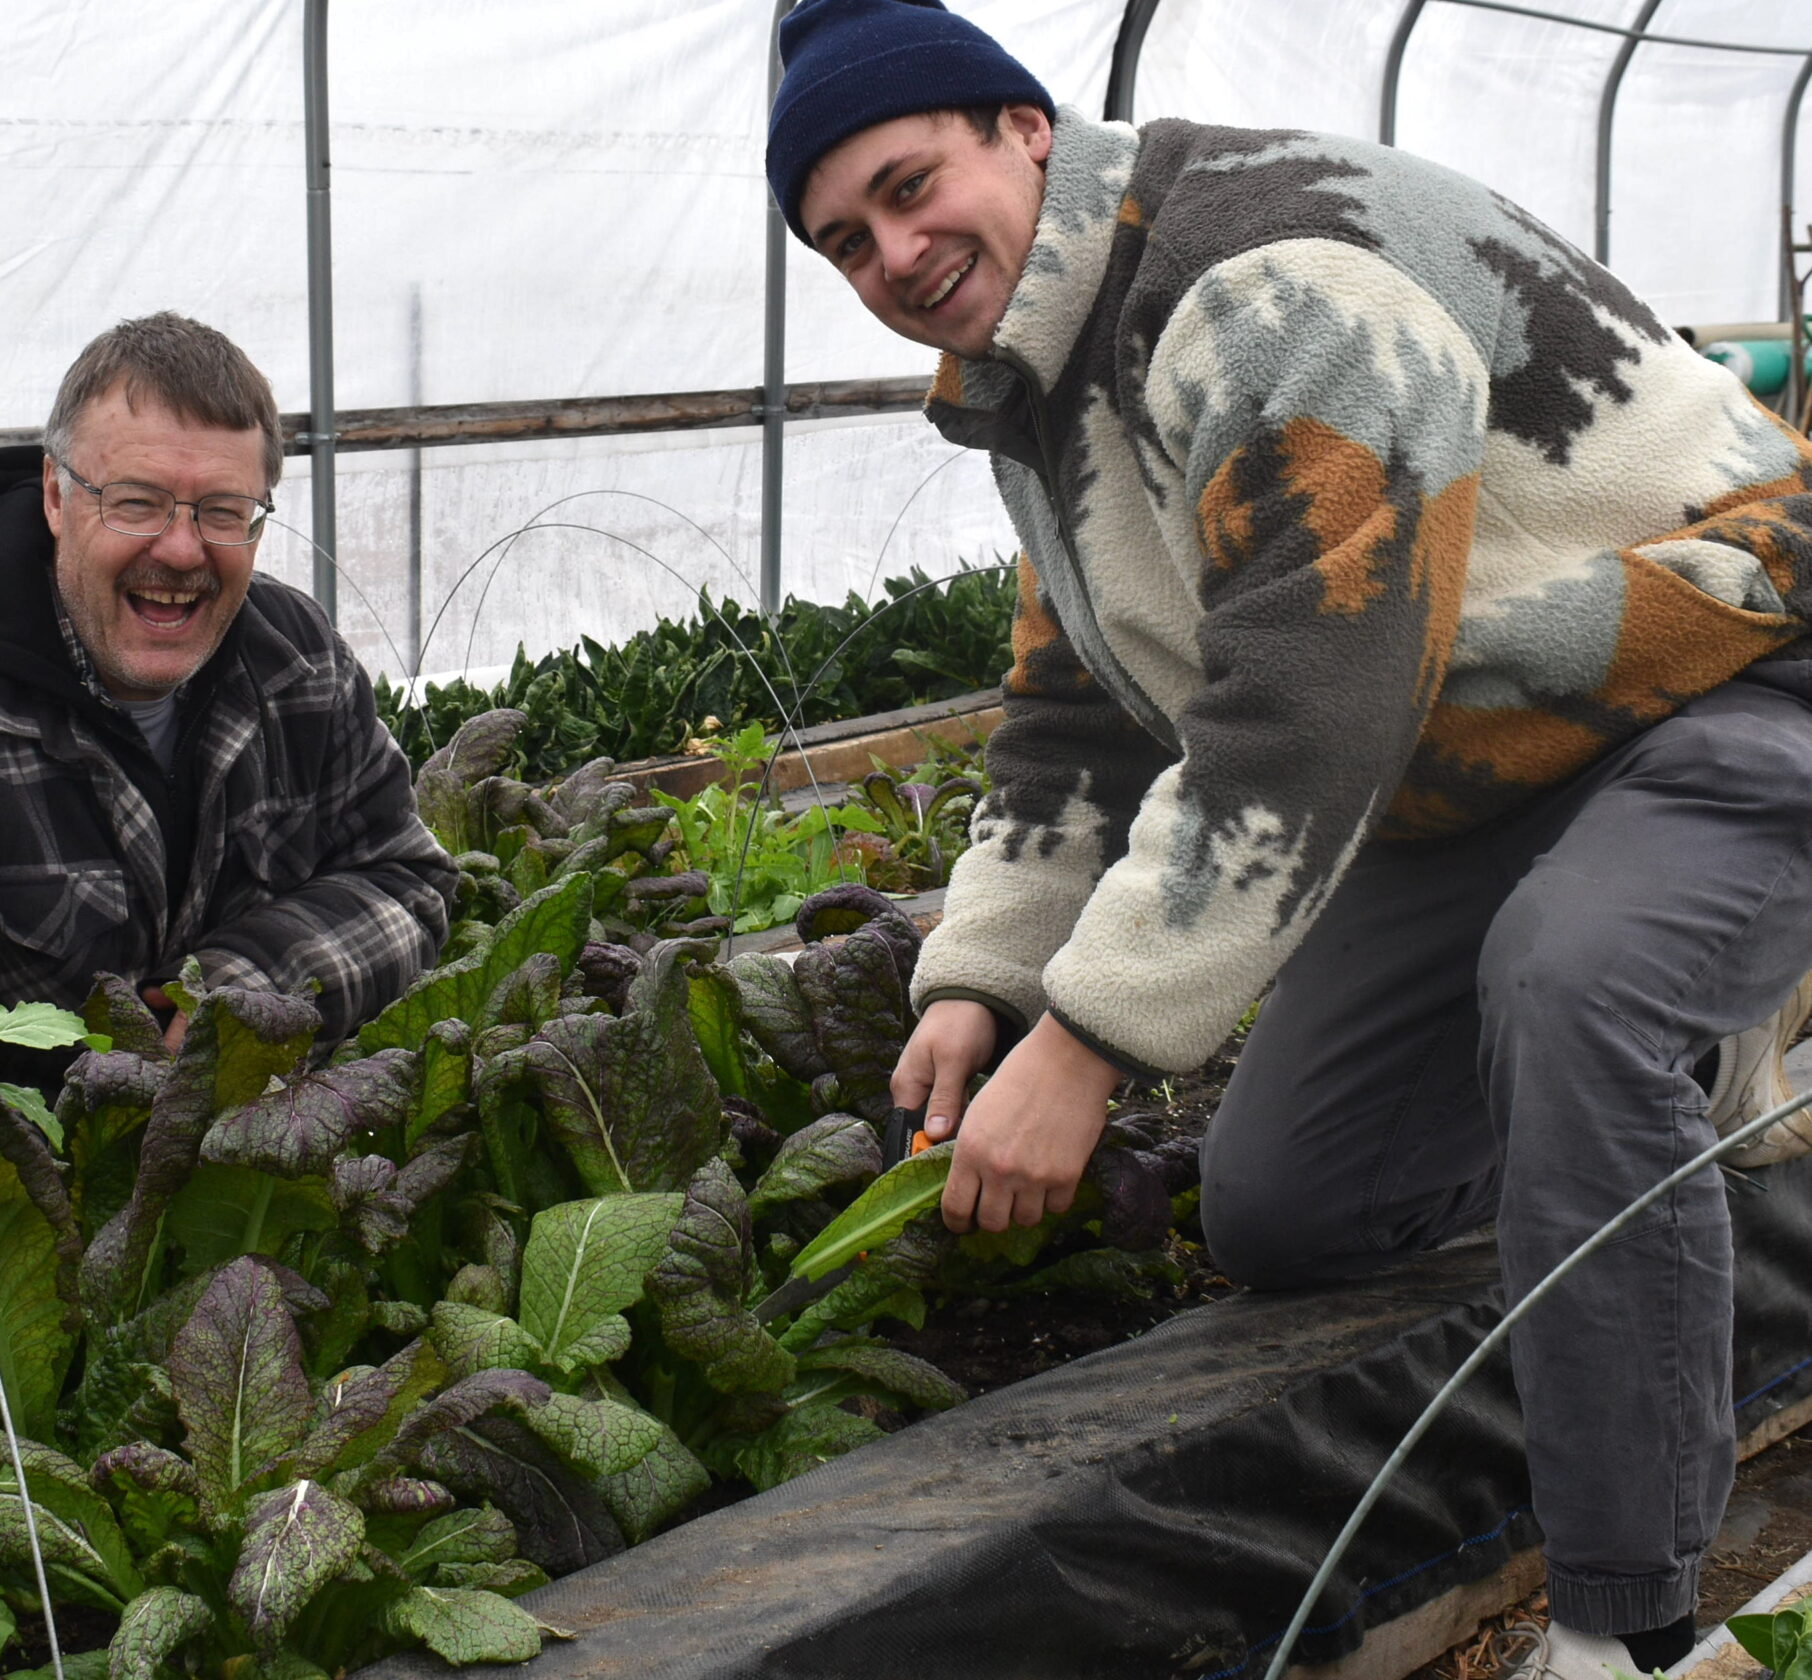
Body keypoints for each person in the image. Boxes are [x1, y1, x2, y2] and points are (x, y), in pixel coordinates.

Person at [765, 1, 1812, 1674]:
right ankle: (1646, 1083)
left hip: (1725, 656)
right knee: (1287, 1216)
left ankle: (1639, 1634)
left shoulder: (1266, 277)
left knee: (1580, 988)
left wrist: (1094, 1044)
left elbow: (1308, 702)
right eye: (843, 240)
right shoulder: (1041, 384)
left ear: (1022, 130)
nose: (891, 251)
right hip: (1484, 756)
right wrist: (985, 983)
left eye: (909, 184)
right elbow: (1076, 712)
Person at [0, 312, 455, 1102]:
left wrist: (253, 982)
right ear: (55, 495)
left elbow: (404, 878)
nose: (183, 551)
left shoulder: (296, 660)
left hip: (240, 1180)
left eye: (222, 511)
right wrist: (14, 1174)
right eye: (137, 502)